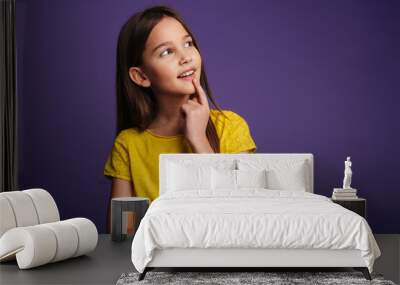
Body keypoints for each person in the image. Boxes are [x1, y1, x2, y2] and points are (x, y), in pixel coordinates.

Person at [103, 5, 257, 233]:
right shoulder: (128, 144)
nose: (186, 57)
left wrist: (198, 139)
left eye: (188, 43)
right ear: (141, 76)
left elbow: (241, 215)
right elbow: (123, 233)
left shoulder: (231, 126)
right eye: (167, 52)